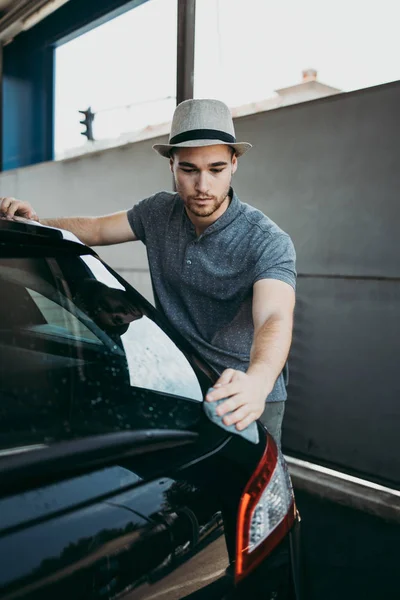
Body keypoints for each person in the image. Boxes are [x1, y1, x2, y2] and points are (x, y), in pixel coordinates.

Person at [0, 98, 296, 445]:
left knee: (252, 490)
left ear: (234, 164)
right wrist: (30, 222)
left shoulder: (267, 241)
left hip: (245, 391)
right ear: (172, 165)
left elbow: (275, 316)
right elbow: (94, 229)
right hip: (180, 379)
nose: (202, 185)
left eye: (215, 169)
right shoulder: (158, 212)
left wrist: (258, 381)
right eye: (189, 169)